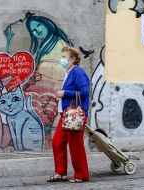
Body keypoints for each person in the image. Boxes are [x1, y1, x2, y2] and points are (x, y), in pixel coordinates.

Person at [47, 47, 90, 183]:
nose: (62, 59)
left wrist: (64, 93)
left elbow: (85, 92)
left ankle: (81, 175)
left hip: (75, 116)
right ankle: (61, 173)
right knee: (57, 142)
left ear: (72, 59)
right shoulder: (69, 72)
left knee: (75, 145)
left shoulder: (77, 72)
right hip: (66, 116)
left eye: (64, 57)